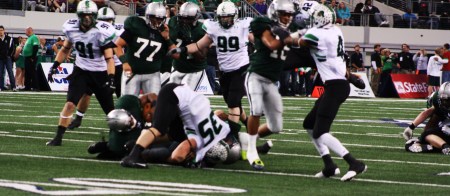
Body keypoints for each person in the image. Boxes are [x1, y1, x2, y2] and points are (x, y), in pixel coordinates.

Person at [299, 4, 367, 181]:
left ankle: (354, 162)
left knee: (321, 131)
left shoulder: (317, 33)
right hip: (337, 83)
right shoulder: (336, 30)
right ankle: (329, 165)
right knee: (309, 124)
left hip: (336, 86)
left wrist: (293, 31)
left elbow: (298, 43)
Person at [167, 1, 250, 126]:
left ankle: (232, 135)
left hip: (241, 68)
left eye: (227, 17)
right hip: (225, 70)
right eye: (222, 17)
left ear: (235, 16)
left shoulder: (243, 27)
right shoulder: (214, 28)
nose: (225, 20)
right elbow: (198, 45)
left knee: (233, 103)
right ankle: (247, 122)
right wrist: (181, 49)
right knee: (231, 101)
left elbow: (259, 40)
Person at [46, 0, 117, 146]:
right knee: (70, 103)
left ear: (95, 16)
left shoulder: (102, 31)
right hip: (81, 71)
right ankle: (58, 137)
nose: (87, 19)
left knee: (110, 111)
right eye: (84, 15)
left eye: (90, 15)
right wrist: (55, 65)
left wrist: (111, 78)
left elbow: (109, 58)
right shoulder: (71, 28)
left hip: (100, 72)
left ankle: (119, 137)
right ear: (79, 15)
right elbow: (65, 49)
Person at [120, 83, 235, 168]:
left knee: (175, 135)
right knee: (158, 129)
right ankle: (133, 156)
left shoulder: (223, 130)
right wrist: (175, 160)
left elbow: (219, 114)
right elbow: (177, 156)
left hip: (181, 95)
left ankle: (137, 144)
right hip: (175, 96)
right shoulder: (202, 142)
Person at [66, 6, 127, 131]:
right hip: (99, 68)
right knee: (87, 92)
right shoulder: (94, 30)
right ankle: (78, 118)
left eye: (108, 20)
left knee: (121, 95)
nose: (105, 22)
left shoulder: (117, 30)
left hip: (116, 66)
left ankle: (123, 121)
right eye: (102, 20)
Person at [115, 2, 173, 97]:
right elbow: (117, 45)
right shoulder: (137, 25)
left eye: (160, 18)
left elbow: (176, 54)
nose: (157, 21)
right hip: (132, 72)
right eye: (154, 18)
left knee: (154, 106)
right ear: (147, 16)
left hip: (152, 74)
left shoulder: (164, 32)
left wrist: (167, 38)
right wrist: (124, 62)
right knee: (128, 104)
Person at [88, 93, 159, 159]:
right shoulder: (132, 103)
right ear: (147, 106)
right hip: (124, 139)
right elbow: (151, 95)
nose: (150, 120)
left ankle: (106, 146)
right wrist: (156, 104)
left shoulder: (143, 118)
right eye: (150, 115)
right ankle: (109, 147)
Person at [167, 2, 208, 90]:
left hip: (194, 69)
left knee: (185, 96)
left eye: (188, 19)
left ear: (196, 18)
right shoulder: (173, 22)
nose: (184, 21)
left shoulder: (201, 30)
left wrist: (189, 40)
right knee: (171, 94)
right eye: (182, 18)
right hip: (177, 66)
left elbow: (201, 57)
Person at [403, 83, 450, 155]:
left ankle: (445, 147)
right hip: (445, 130)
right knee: (423, 136)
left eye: (447, 100)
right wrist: (411, 127)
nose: (444, 102)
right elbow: (428, 112)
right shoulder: (437, 102)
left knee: (427, 134)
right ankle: (440, 147)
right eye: (443, 100)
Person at [23, 27, 40, 91]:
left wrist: (33, 57)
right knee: (27, 72)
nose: (25, 32)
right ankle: (27, 86)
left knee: (32, 72)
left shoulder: (34, 37)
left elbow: (35, 47)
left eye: (26, 31)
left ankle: (36, 87)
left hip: (31, 57)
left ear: (29, 31)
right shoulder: (29, 38)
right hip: (27, 57)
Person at [0, 25, 16, 91]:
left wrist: (9, 55)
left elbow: (12, 48)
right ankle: (1, 87)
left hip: (7, 58)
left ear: (4, 31)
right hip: (0, 58)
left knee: (10, 72)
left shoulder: (9, 38)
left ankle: (13, 86)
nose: (0, 32)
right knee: (0, 73)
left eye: (1, 30)